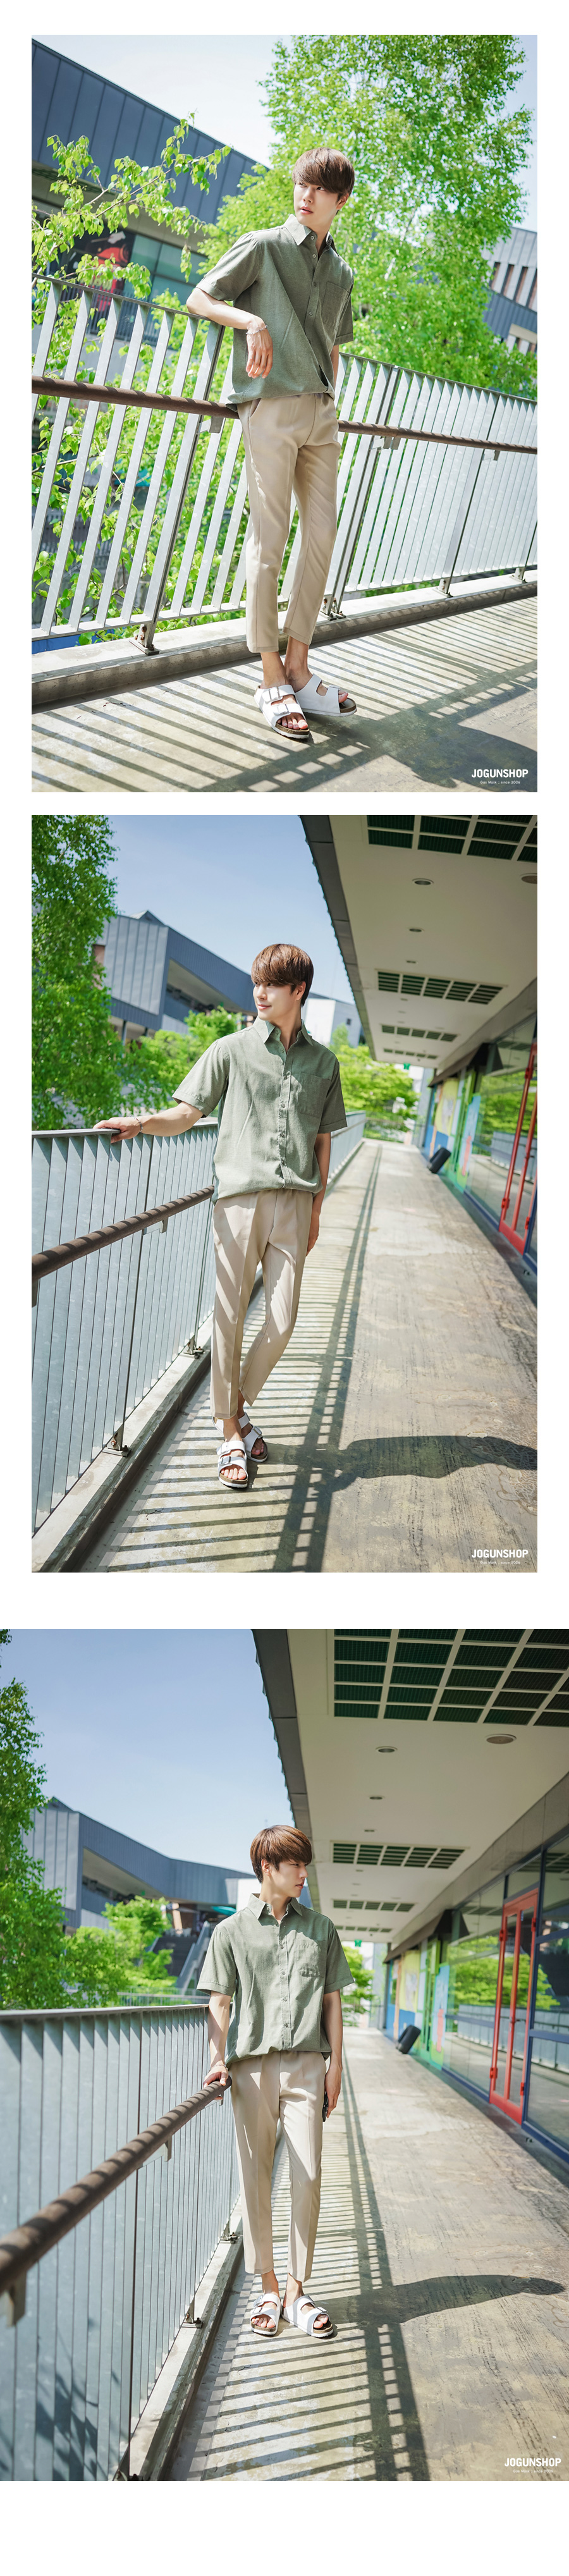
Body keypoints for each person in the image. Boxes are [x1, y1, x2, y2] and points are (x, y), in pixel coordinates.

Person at [95, 941, 347, 1490]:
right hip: (239, 1202)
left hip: (296, 1203)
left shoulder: (325, 1063)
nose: (260, 993)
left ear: (298, 990)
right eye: (257, 983)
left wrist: (317, 1211)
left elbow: (323, 1141)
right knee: (229, 1316)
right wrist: (143, 1122)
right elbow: (187, 1114)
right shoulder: (229, 1050)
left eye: (272, 985)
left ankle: (234, 1407)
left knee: (282, 1320)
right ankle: (230, 1432)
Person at [186, 145, 357, 740]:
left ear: (340, 200)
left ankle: (300, 666)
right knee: (270, 537)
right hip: (270, 408)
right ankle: (269, 675)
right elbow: (200, 296)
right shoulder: (262, 246)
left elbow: (333, 344)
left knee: (324, 534)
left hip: (321, 415)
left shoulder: (342, 273)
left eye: (320, 188)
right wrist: (252, 322)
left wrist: (329, 392)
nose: (306, 195)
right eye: (302, 184)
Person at [199, 1825, 353, 2336]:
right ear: (268, 1868)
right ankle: (268, 2288)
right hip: (250, 2069)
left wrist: (335, 2066)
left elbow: (332, 2001)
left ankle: (296, 2292)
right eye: (296, 1866)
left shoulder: (322, 1929)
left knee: (308, 2177)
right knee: (256, 2178)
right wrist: (217, 2059)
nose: (304, 1874)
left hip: (308, 2066)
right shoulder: (231, 1932)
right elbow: (219, 2001)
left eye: (305, 1865)